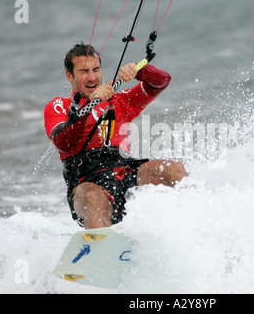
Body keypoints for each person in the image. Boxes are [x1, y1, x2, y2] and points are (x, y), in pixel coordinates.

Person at [44, 43, 188, 229]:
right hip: (85, 181)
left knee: (172, 169)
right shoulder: (59, 106)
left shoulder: (120, 101)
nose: (92, 77)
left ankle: (200, 223)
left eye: (96, 69)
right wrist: (90, 102)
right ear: (70, 75)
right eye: (83, 71)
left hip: (124, 171)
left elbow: (161, 81)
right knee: (94, 198)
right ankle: (101, 251)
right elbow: (63, 142)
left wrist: (140, 72)